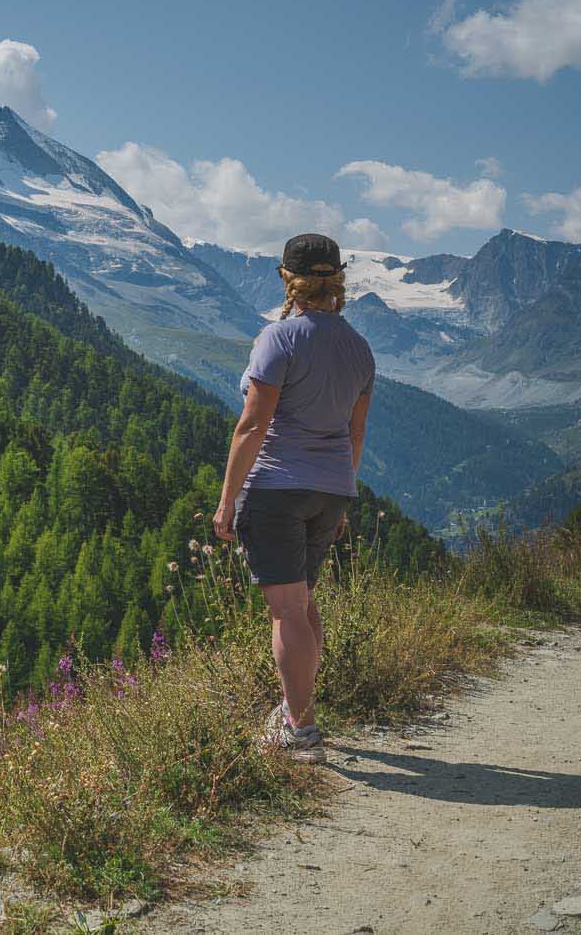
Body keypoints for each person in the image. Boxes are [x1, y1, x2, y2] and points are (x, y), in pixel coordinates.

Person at [211, 233, 374, 764]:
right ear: (337, 278)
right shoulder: (358, 348)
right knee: (302, 605)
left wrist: (228, 499)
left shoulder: (278, 339)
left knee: (285, 612)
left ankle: (300, 729)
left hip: (277, 487)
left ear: (287, 278)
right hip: (331, 490)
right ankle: (292, 710)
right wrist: (344, 491)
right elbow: (355, 435)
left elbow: (252, 426)